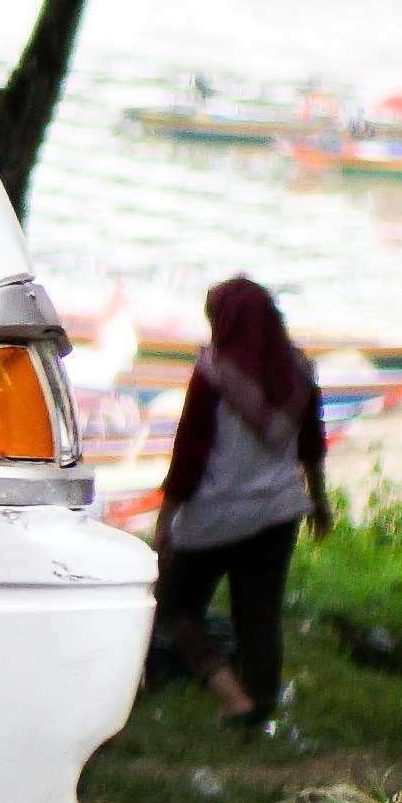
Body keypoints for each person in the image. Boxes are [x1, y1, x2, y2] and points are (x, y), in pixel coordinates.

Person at [149, 275, 331, 731]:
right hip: (278, 512)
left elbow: (188, 452)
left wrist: (165, 521)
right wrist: (319, 501)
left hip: (216, 513)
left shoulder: (213, 374)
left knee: (174, 609)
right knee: (259, 616)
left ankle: (233, 700)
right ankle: (262, 709)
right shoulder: (298, 372)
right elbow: (311, 443)